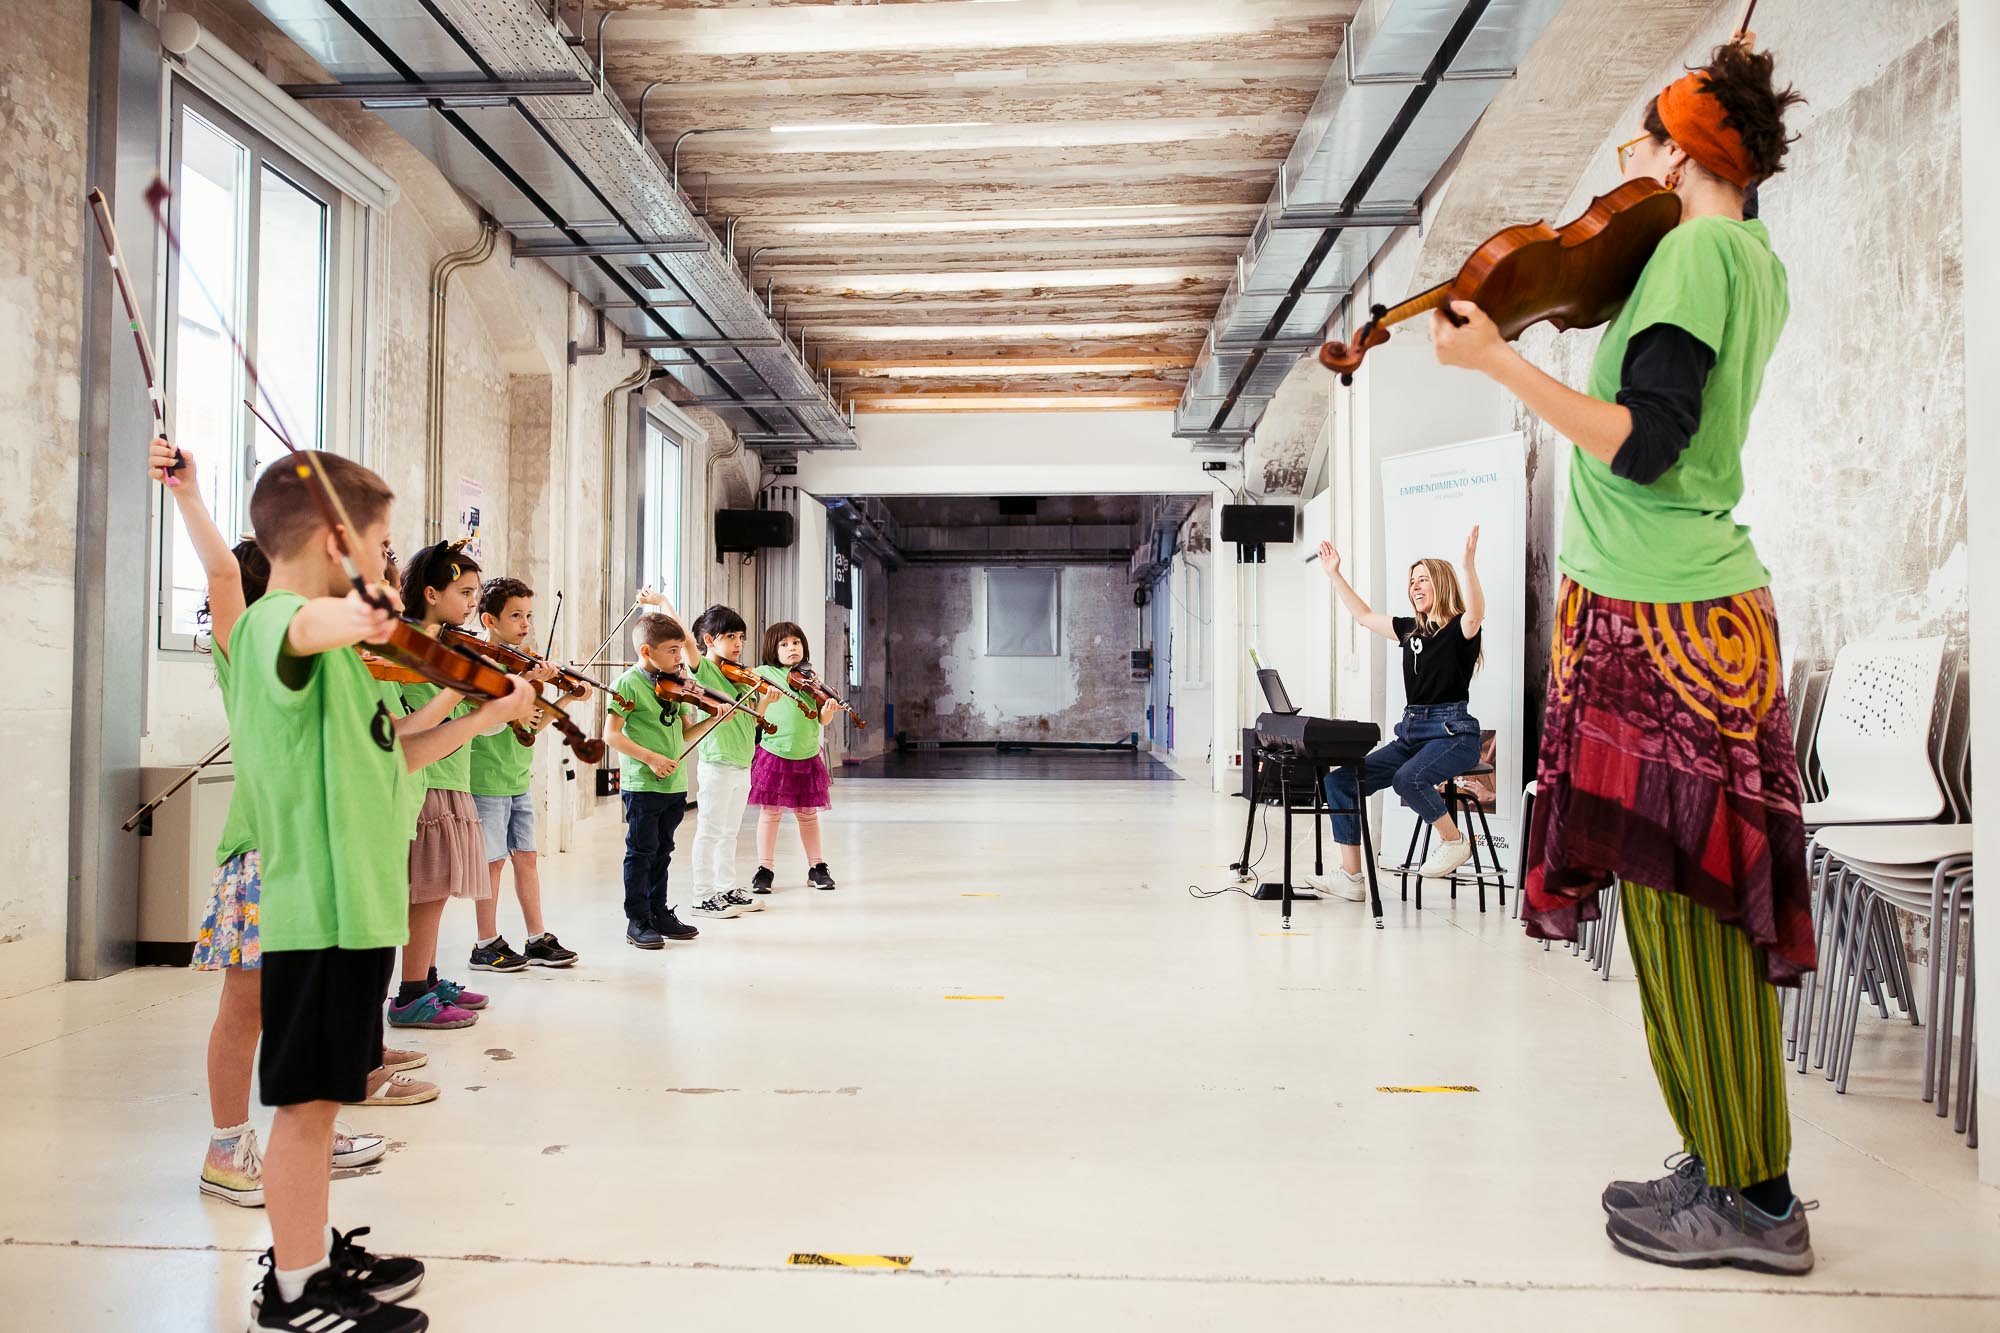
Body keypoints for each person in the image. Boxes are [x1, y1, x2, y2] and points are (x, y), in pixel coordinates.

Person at [1427, 37, 1816, 1273]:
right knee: (1674, 913)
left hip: (1665, 618)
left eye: (1643, 138)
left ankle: (1757, 1205)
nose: (1624, 159)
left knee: (1686, 914)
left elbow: (1642, 444)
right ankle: (1723, 1153)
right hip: (1679, 608)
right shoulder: (1745, 255)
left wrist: (1496, 362)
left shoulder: (1699, 250)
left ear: (1691, 154)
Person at [228, 449, 534, 1331]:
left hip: (360, 904)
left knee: (328, 1099)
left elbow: (393, 757)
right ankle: (294, 1290)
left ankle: (311, 1252)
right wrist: (363, 608)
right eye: (381, 543)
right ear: (335, 540)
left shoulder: (351, 656)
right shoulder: (279, 624)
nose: (390, 560)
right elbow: (305, 627)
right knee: (306, 1105)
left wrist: (480, 714)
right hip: (318, 909)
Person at [151, 439, 405, 1208]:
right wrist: (189, 495)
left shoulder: (329, 643)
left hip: (311, 853)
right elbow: (226, 575)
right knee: (249, 1007)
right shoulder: (256, 633)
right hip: (262, 850)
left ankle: (310, 1135)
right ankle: (228, 1145)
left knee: (301, 1016)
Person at [1315, 529, 1487, 897]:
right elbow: (1363, 616)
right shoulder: (1409, 631)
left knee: (1407, 779)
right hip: (1411, 732)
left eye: (1423, 579)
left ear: (1441, 583)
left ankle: (1454, 841)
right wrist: (1334, 574)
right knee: (1339, 783)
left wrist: (1468, 567)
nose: (1415, 587)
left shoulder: (1460, 628)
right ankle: (1351, 877)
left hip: (1453, 733)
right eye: (1412, 581)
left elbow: (1476, 612)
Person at [387, 541, 497, 1031]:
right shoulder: (405, 646)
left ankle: (426, 977)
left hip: (452, 774)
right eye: (465, 591)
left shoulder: (448, 645)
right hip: (426, 777)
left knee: (438, 891)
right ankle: (411, 992)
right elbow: (409, 720)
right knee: (427, 891)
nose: (473, 601)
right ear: (430, 593)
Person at [466, 576, 577, 971]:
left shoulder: (523, 664)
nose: (525, 624)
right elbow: (489, 716)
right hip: (485, 779)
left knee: (526, 857)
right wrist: (528, 680)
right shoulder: (483, 665)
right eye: (516, 616)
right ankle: (485, 942)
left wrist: (564, 696)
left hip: (517, 778)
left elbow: (528, 727)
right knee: (492, 863)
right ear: (489, 620)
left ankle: (536, 937)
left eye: (529, 615)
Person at [604, 613, 720, 948]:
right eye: (672, 651)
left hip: (673, 784)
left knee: (664, 851)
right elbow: (611, 735)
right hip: (643, 783)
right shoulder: (628, 683)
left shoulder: (676, 684)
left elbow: (685, 734)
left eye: (680, 650)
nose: (679, 658)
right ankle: (637, 918)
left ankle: (658, 911)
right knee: (641, 852)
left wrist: (715, 718)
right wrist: (651, 759)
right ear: (646, 651)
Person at [686, 604, 771, 919]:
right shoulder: (706, 670)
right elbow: (686, 644)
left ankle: (726, 887)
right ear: (709, 641)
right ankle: (702, 894)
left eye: (741, 637)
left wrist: (764, 699)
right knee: (709, 830)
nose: (738, 644)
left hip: (741, 763)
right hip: (717, 764)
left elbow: (753, 721)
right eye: (730, 636)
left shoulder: (742, 678)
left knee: (730, 832)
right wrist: (663, 604)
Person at [748, 622, 843, 893]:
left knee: (808, 814)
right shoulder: (762, 674)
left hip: (807, 753)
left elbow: (820, 717)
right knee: (771, 813)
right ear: (772, 649)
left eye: (796, 643)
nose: (792, 648)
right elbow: (754, 709)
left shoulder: (810, 676)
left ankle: (817, 867)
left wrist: (829, 709)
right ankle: (764, 869)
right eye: (784, 644)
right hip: (774, 752)